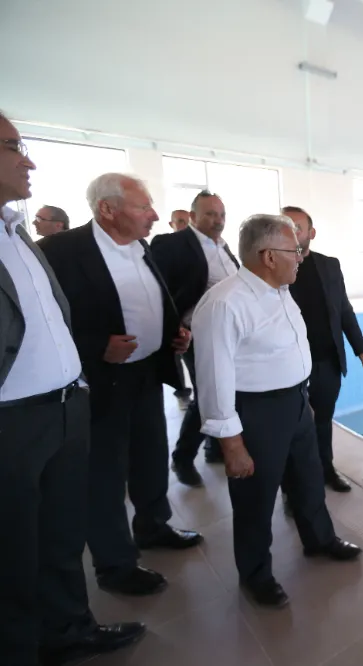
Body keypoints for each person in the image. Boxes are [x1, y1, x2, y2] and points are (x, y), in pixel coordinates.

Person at [0, 113, 144, 665]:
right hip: (14, 421)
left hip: (65, 406)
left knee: (61, 535)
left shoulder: (16, 233)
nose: (29, 161)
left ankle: (68, 629)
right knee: (13, 553)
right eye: (14, 146)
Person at [38, 173, 203, 598]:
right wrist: (97, 347)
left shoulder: (140, 246)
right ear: (107, 209)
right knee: (105, 474)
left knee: (150, 455)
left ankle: (153, 526)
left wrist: (174, 333)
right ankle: (115, 565)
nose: (154, 215)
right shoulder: (60, 251)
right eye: (143, 207)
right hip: (100, 381)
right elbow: (42, 321)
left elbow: (150, 299)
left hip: (146, 372)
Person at [192, 213, 361, 608]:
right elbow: (214, 378)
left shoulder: (281, 290)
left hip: (296, 402)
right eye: (294, 251)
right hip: (257, 412)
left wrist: (302, 399)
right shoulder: (225, 303)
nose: (301, 257)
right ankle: (256, 574)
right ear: (268, 256)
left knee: (308, 478)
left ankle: (319, 540)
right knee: (256, 498)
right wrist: (232, 445)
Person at [284, 205, 363, 492]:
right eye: (285, 226)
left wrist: (360, 348)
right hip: (289, 363)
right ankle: (293, 488)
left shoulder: (329, 266)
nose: (291, 232)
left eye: (297, 227)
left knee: (322, 421)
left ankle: (326, 470)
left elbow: (343, 309)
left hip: (326, 360)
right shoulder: (272, 267)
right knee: (291, 426)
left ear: (311, 233)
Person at [150, 191, 238, 485]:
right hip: (195, 334)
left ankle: (214, 448)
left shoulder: (224, 247)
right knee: (207, 397)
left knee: (223, 393)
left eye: (222, 215)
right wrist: (174, 327)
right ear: (193, 216)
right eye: (210, 214)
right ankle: (182, 459)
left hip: (227, 334)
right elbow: (158, 291)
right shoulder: (172, 244)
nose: (218, 220)